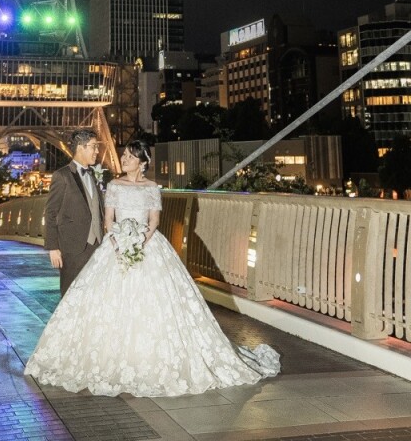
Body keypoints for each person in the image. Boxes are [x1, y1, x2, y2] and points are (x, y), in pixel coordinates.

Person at [25, 139, 279, 397]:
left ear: (142, 163)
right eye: (123, 155)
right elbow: (108, 221)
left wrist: (139, 242)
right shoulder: (113, 186)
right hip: (116, 248)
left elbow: (154, 221)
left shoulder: (151, 188)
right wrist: (120, 242)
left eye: (130, 156)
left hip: (149, 246)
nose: (124, 159)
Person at [43, 127, 104, 296]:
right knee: (71, 296)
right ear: (80, 147)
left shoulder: (93, 175)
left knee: (93, 296)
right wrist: (53, 247)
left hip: (97, 246)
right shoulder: (61, 176)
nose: (97, 151)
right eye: (93, 146)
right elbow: (51, 212)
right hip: (73, 249)